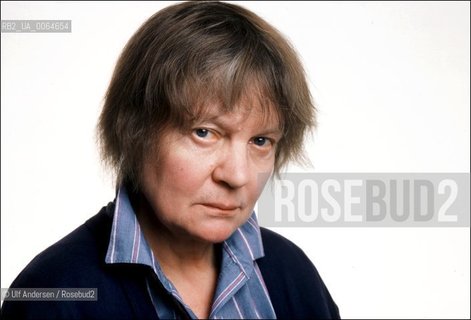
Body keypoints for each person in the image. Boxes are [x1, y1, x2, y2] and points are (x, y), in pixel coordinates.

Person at [1, 1, 340, 319]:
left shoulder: (291, 274)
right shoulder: (55, 293)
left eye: (261, 141)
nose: (238, 175)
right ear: (135, 131)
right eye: (204, 132)